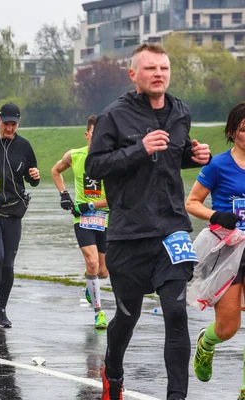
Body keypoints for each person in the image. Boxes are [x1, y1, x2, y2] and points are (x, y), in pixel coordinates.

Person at [84, 43, 211, 400]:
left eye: (164, 69)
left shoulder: (180, 112)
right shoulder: (114, 116)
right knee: (127, 317)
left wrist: (195, 156)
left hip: (171, 229)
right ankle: (113, 372)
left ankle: (177, 396)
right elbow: (95, 167)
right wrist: (139, 148)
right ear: (134, 74)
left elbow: (172, 157)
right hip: (129, 234)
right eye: (151, 68)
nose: (159, 74)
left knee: (175, 312)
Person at [185, 102, 245, 398]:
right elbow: (192, 202)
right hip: (229, 251)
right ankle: (206, 344)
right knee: (228, 327)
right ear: (233, 132)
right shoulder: (218, 165)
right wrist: (216, 216)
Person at [0, 103, 40, 328]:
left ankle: (2, 310)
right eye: (6, 124)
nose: (10, 128)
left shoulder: (24, 145)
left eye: (14, 124)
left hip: (13, 212)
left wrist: (35, 175)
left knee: (8, 265)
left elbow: (33, 177)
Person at [51, 115, 110, 330]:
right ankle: (99, 312)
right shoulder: (75, 156)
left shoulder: (113, 159)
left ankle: (90, 283)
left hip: (106, 217)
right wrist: (64, 195)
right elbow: (55, 171)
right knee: (92, 262)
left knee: (103, 271)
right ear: (87, 135)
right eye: (95, 135)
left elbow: (119, 195)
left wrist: (92, 205)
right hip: (82, 218)